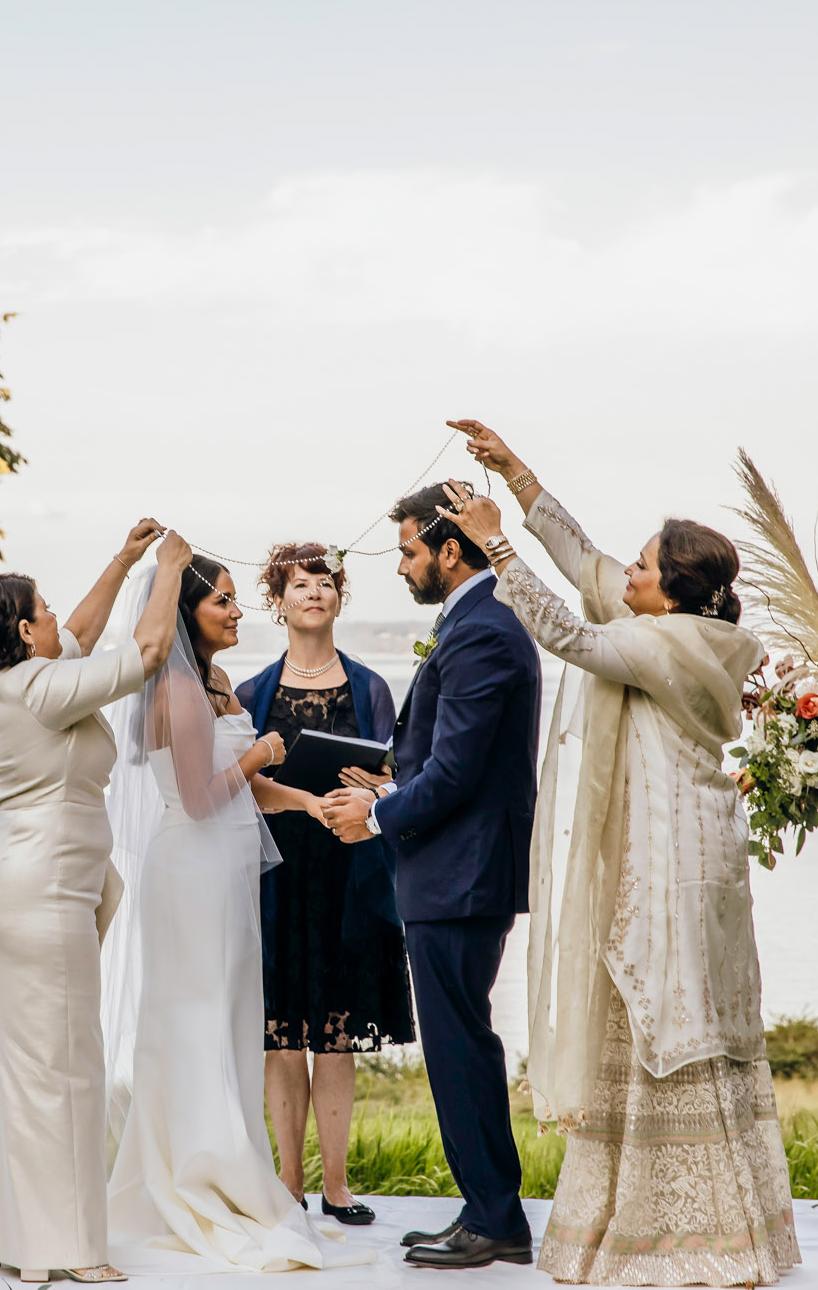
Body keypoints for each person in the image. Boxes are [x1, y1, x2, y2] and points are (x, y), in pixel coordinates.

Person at [440, 418, 799, 1287]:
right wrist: (519, 477)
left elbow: (574, 635)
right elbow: (589, 564)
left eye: (644, 567)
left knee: (661, 1012)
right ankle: (677, 1222)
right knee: (681, 1015)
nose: (627, 574)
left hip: (670, 866)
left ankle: (677, 1237)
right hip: (700, 861)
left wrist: (495, 549)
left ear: (671, 591)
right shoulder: (688, 637)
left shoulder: (660, 646)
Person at [101, 556, 370, 1275]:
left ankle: (227, 1150)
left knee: (228, 1014)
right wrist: (260, 752)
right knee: (193, 1014)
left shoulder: (218, 683)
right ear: (189, 612)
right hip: (188, 870)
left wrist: (308, 802)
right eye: (223, 600)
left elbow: (250, 793)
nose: (236, 610)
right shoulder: (180, 691)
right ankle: (197, 1163)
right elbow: (200, 795)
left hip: (224, 871)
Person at [0, 521, 191, 1285]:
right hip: (41, 894)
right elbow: (149, 651)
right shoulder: (43, 689)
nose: (61, 618)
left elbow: (80, 635)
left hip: (7, 886)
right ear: (25, 632)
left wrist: (122, 562)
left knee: (15, 1066)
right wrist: (169, 572)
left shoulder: (4, 681)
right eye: (45, 610)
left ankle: (0, 1232)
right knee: (66, 1064)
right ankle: (67, 1247)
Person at [322, 487, 542, 1270]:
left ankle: (494, 1217)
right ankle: (490, 1209)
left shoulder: (483, 630)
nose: (405, 565)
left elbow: (456, 773)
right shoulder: (475, 623)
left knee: (458, 1046)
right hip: (457, 867)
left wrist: (376, 817)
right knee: (461, 1043)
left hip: (462, 874)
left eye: (411, 550)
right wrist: (388, 782)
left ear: (452, 551)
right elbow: (450, 763)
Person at [234, 542, 412, 1225]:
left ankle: (336, 1184)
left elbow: (401, 776)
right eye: (299, 584)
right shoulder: (253, 692)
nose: (315, 592)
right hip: (276, 876)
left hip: (350, 875)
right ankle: (287, 1182)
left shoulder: (370, 687)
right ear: (277, 603)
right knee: (281, 1033)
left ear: (340, 596)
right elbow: (238, 787)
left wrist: (380, 784)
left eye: (326, 582)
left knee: (336, 1034)